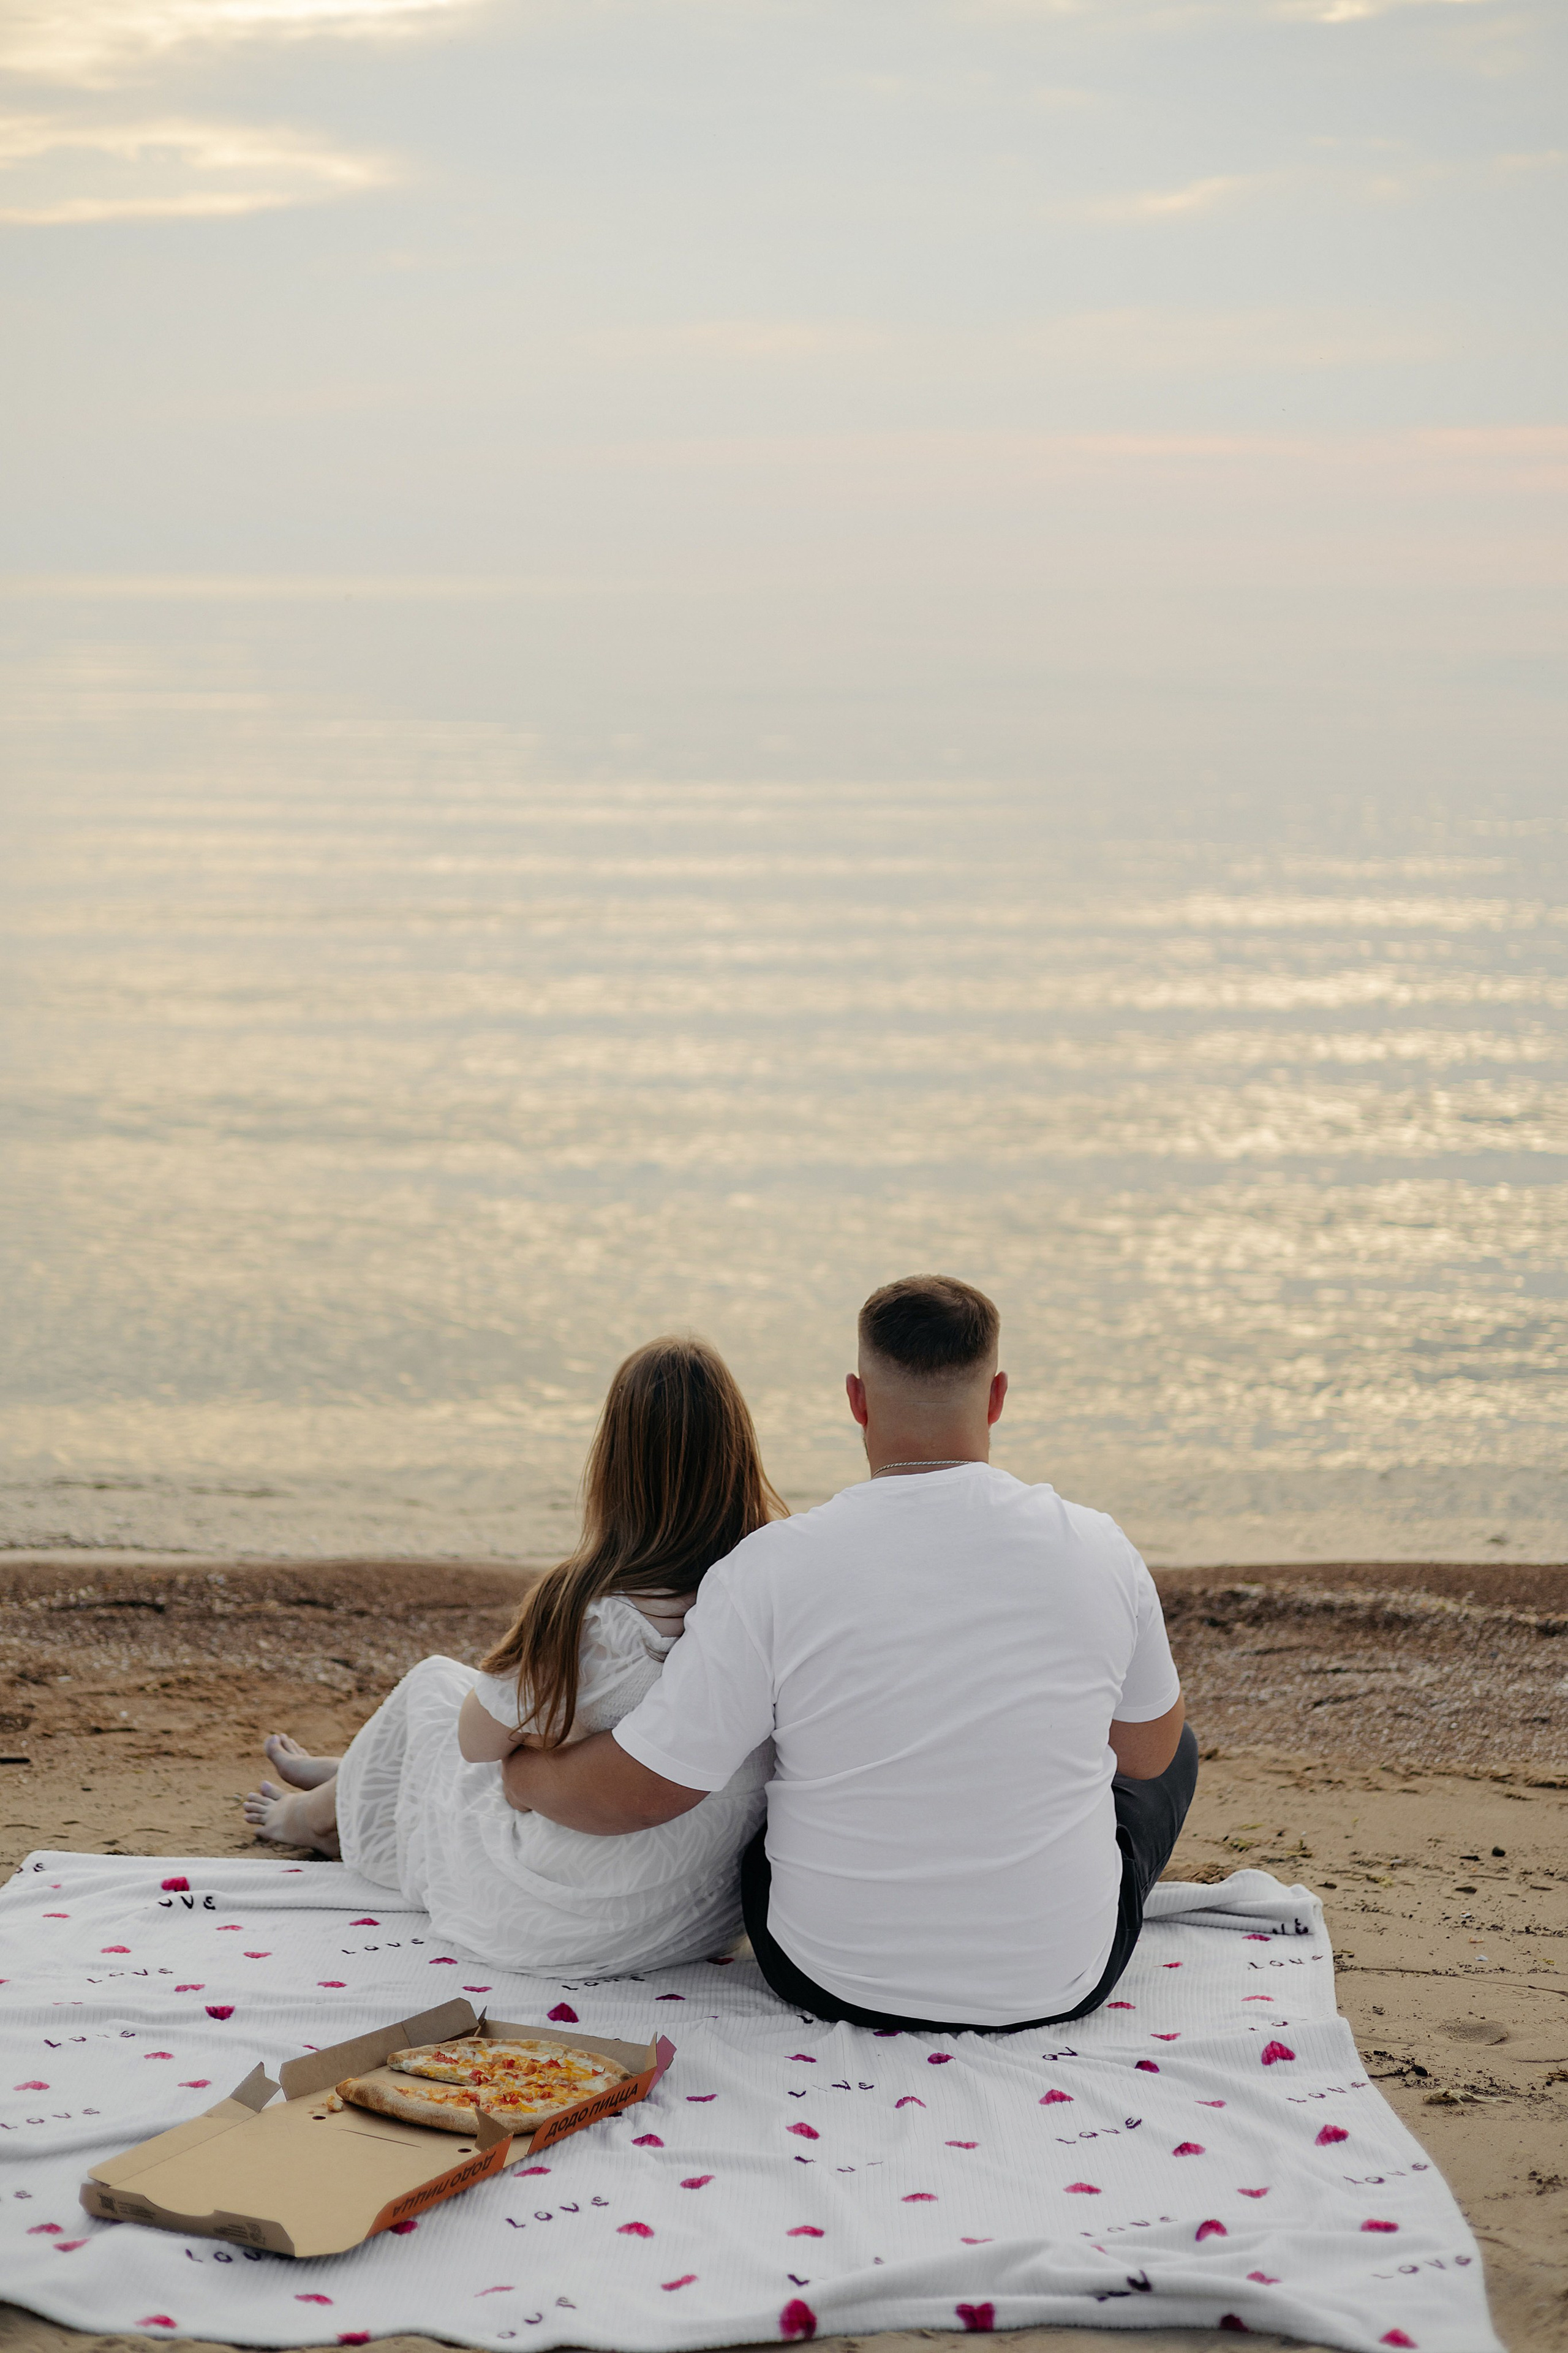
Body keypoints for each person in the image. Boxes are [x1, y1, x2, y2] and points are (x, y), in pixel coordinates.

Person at [497, 1274, 1197, 2032]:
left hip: (829, 1975)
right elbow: (1147, 1755)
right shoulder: (1098, 1547)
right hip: (1058, 1979)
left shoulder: (770, 1567)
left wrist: (527, 1773)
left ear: (856, 1399)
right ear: (996, 1397)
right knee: (1171, 1742)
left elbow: (644, 1793)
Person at [240, 1337, 781, 1975]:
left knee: (436, 1688)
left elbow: (475, 1743)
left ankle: (309, 1817)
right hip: (695, 1914)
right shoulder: (768, 1590)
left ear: (613, 1462)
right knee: (490, 1722)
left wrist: (540, 1731)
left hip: (559, 1918)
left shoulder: (586, 1610)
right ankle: (351, 1773)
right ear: (738, 1455)